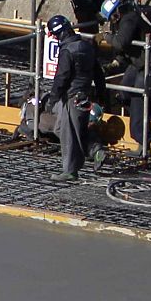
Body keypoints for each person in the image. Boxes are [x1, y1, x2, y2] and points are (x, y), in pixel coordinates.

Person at [100, 0, 151, 166]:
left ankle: (144, 144)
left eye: (112, 18)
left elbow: (121, 42)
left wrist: (106, 37)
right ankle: (143, 120)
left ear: (117, 12)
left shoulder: (129, 18)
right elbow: (124, 49)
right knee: (124, 93)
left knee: (138, 98)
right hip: (138, 62)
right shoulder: (119, 21)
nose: (111, 22)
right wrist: (115, 63)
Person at [47, 14, 106, 182]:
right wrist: (102, 94)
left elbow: (62, 77)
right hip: (85, 95)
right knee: (67, 130)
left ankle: (70, 171)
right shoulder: (86, 46)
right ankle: (95, 150)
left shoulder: (67, 50)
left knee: (68, 134)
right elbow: (98, 72)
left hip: (71, 97)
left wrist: (53, 99)